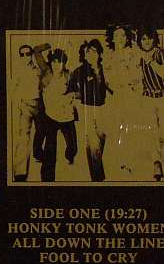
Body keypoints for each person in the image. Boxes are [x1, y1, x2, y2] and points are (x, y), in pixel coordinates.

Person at [67, 39, 111, 182]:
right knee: (92, 144)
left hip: (104, 108)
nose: (91, 54)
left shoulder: (106, 69)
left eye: (94, 51)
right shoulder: (79, 72)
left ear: (100, 54)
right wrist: (77, 97)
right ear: (84, 55)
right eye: (88, 52)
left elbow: (114, 87)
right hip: (87, 109)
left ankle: (96, 175)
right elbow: (71, 91)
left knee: (101, 140)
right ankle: (98, 179)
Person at [102, 25, 143, 177]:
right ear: (112, 38)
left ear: (127, 38)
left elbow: (138, 75)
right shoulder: (109, 57)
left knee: (129, 127)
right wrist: (113, 87)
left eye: (123, 36)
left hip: (130, 95)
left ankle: (129, 162)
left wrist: (133, 86)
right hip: (115, 96)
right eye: (117, 36)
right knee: (116, 129)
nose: (120, 39)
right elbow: (106, 79)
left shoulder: (133, 54)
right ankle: (118, 161)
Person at [37, 48, 77, 182]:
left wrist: (72, 95)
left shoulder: (69, 75)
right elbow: (37, 54)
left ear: (64, 63)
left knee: (73, 147)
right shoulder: (46, 74)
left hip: (67, 116)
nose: (56, 65)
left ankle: (69, 156)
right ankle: (47, 179)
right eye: (53, 62)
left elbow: (78, 92)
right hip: (51, 116)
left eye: (59, 62)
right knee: (50, 148)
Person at [11, 42, 48, 182]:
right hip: (25, 106)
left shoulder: (38, 69)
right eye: (22, 54)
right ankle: (20, 172)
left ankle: (38, 153)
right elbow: (12, 89)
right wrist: (18, 104)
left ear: (31, 55)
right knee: (23, 138)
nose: (25, 56)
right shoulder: (17, 71)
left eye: (28, 54)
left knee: (42, 130)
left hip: (39, 105)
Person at [138, 28, 164, 181]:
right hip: (147, 98)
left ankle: (163, 160)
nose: (147, 42)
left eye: (149, 38)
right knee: (152, 131)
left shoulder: (160, 53)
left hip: (162, 97)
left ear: (154, 39)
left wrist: (150, 61)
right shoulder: (138, 55)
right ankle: (156, 164)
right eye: (143, 39)